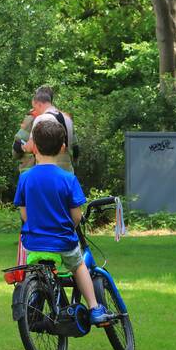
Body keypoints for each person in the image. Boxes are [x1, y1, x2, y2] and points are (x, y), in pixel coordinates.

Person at [14, 118, 108, 325]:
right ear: (63, 147)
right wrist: (69, 227)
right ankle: (94, 308)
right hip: (62, 241)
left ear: (34, 147)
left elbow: (24, 215)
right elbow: (76, 215)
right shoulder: (68, 179)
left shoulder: (25, 178)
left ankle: (37, 298)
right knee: (79, 266)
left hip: (33, 242)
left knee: (38, 268)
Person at [13, 86, 77, 173]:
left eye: (35, 108)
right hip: (67, 172)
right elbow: (75, 149)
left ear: (39, 104)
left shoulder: (40, 119)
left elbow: (32, 146)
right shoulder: (67, 118)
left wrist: (23, 148)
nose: (34, 111)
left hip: (47, 172)